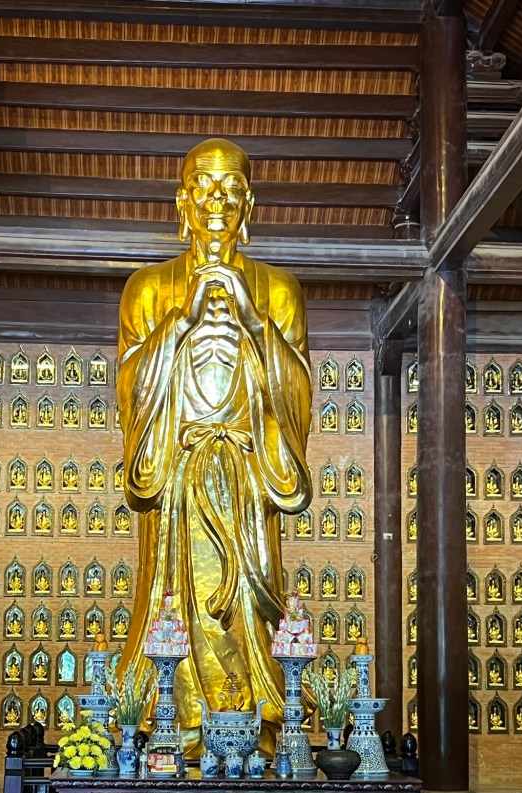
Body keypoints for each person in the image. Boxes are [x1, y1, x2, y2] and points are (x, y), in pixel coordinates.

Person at [115, 138, 312, 753]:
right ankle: (173, 721)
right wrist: (178, 328)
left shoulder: (279, 290)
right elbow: (129, 391)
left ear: (249, 203)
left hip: (248, 481)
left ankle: (261, 724)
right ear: (183, 201)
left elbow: (298, 396)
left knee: (250, 604)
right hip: (176, 478)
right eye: (204, 185)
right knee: (175, 597)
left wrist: (255, 325)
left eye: (232, 188)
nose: (217, 199)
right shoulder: (148, 288)